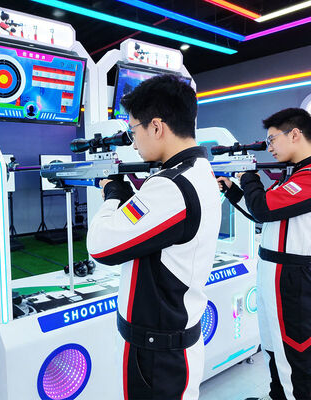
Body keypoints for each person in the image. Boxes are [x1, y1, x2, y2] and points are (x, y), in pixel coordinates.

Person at [86, 74, 221, 400]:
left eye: (134, 130)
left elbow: (100, 247)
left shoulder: (172, 186)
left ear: (157, 127)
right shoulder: (195, 172)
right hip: (168, 345)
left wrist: (113, 195)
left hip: (157, 357)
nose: (134, 143)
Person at [217, 108, 311, 400]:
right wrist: (234, 191)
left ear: (294, 134)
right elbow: (266, 215)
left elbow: (264, 208)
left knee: (294, 352)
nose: (269, 147)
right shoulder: (295, 176)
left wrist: (248, 175)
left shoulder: (307, 177)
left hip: (292, 278)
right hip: (276, 273)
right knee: (273, 345)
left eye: (271, 139)